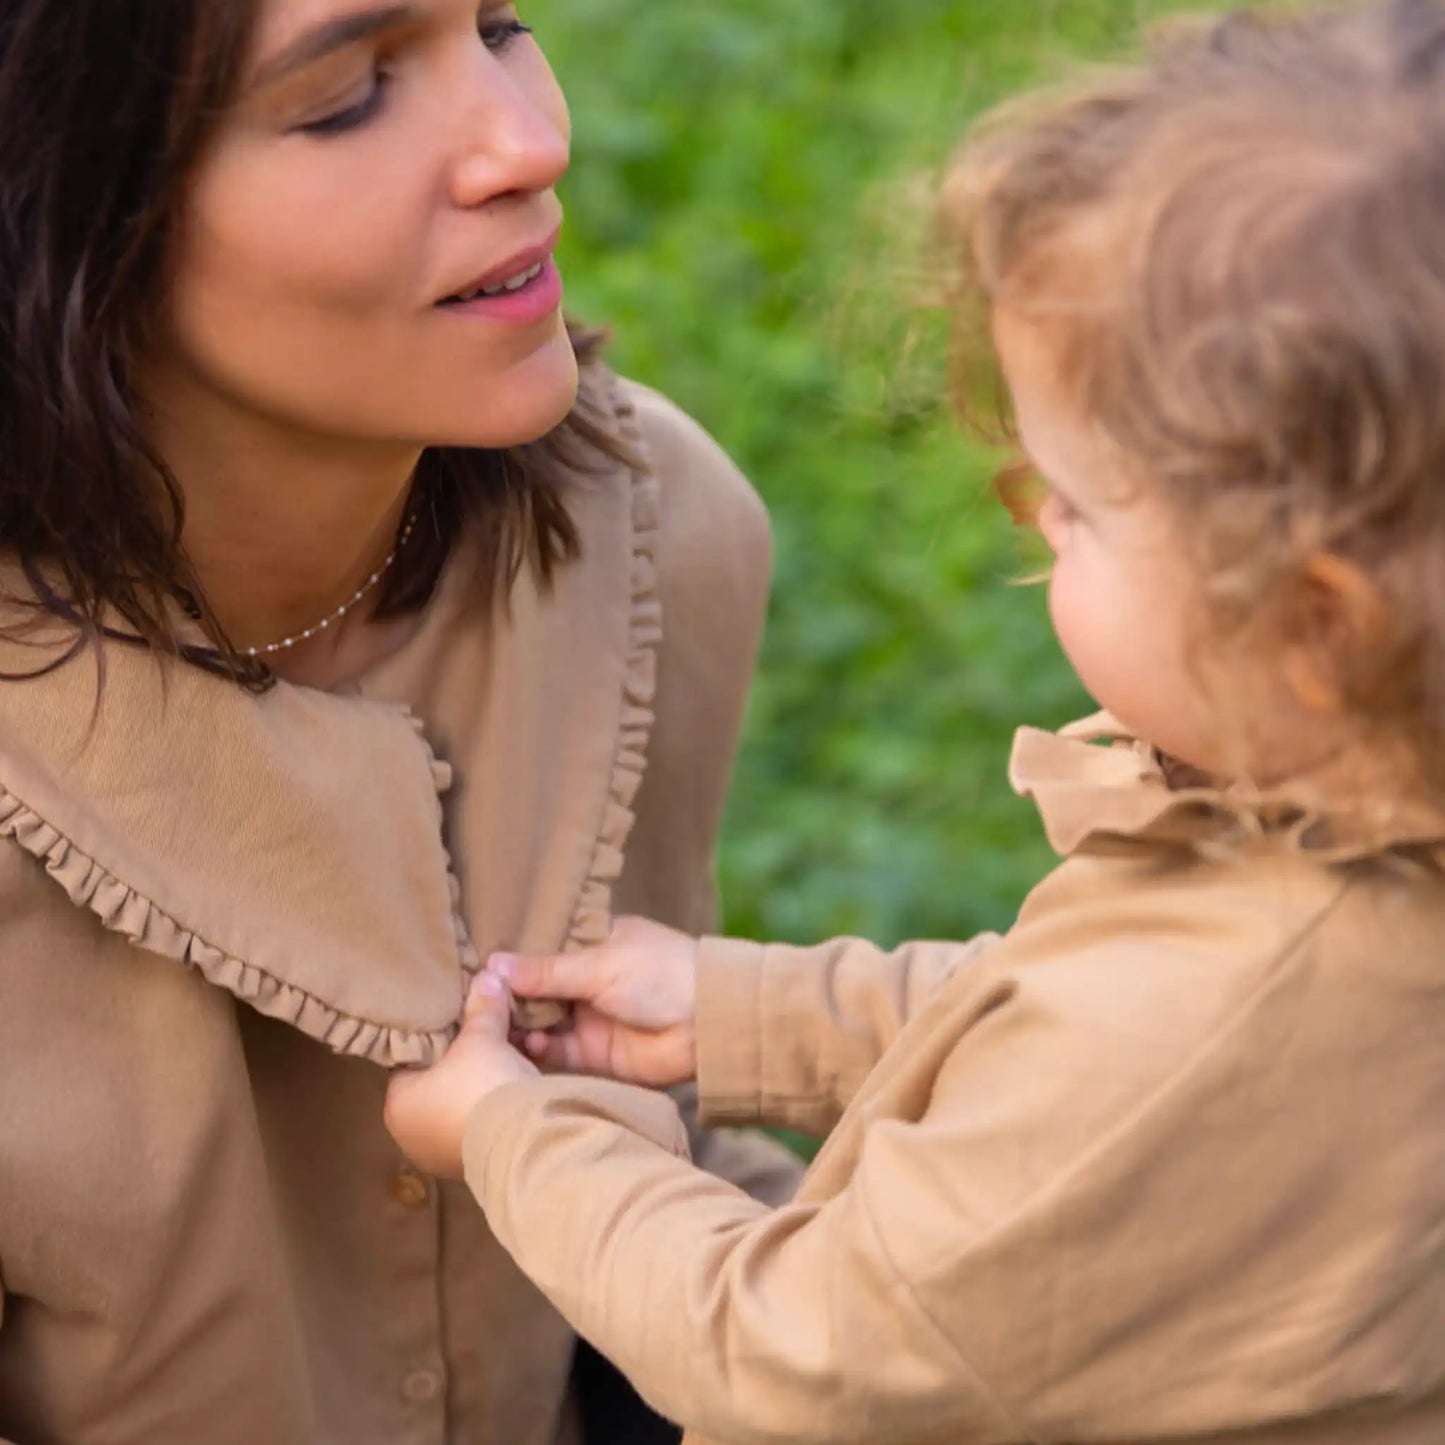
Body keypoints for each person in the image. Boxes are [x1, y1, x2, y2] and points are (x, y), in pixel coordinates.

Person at [383, 2, 1445, 1441]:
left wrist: (517, 1137)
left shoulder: (1240, 1004)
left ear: (1315, 627)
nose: (1029, 527)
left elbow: (796, 1349)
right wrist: (740, 1011)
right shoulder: (1341, 853)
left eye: (1069, 503)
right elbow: (1070, 1029)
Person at [0, 0, 801, 1441]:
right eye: (346, 97)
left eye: (497, 24)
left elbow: (666, 1169)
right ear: (59, 197)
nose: (528, 141)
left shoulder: (656, 531)